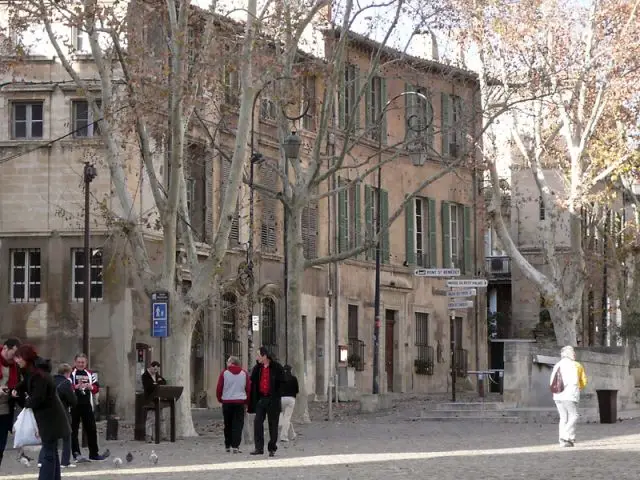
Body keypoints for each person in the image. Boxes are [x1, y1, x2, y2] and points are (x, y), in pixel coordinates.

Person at [11, 345, 70, 480]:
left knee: (49, 453)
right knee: (52, 451)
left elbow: (37, 398)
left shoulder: (39, 375)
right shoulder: (34, 372)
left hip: (50, 418)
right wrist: (16, 389)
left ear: (26, 358)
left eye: (19, 357)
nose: (17, 361)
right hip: (51, 417)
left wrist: (22, 400)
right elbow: (25, 383)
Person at [37, 363, 77, 469]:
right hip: (62, 413)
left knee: (49, 438)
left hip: (48, 413)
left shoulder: (50, 380)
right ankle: (65, 462)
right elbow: (73, 400)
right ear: (67, 373)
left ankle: (41, 460)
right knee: (67, 437)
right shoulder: (66, 383)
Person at [70, 353, 108, 461]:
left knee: (91, 429)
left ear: (86, 363)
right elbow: (67, 385)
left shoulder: (90, 374)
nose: (81, 364)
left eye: (83, 362)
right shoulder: (71, 373)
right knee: (74, 430)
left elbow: (96, 387)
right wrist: (76, 386)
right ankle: (76, 453)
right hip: (74, 405)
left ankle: (94, 453)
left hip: (87, 405)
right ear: (75, 362)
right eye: (79, 362)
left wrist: (90, 386)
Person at [248, 346, 285, 457]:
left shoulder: (277, 367)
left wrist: (277, 394)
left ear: (265, 356)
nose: (257, 357)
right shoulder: (257, 369)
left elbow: (282, 382)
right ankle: (258, 448)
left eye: (259, 355)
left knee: (273, 424)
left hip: (273, 399)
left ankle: (272, 447)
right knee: (257, 422)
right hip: (261, 399)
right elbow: (252, 383)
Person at [550, 345, 587, 447]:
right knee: (574, 415)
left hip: (557, 395)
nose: (574, 354)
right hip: (569, 394)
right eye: (572, 352)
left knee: (563, 418)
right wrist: (576, 391)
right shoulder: (574, 365)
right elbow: (575, 381)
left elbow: (552, 381)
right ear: (568, 354)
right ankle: (565, 435)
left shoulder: (557, 365)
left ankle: (563, 441)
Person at [216, 356, 251, 454]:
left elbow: (219, 387)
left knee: (228, 424)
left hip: (227, 401)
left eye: (228, 361)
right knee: (238, 424)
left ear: (231, 363)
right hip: (240, 402)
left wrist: (220, 399)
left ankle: (227, 445)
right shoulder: (244, 374)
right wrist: (247, 401)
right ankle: (236, 446)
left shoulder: (224, 373)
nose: (227, 363)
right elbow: (248, 388)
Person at [0, 337, 20, 467]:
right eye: (13, 354)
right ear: (5, 348)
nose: (14, 358)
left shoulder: (15, 366)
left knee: (0, 447)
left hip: (5, 411)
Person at [141, 361, 167, 442]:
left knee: (162, 418)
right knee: (150, 418)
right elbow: (149, 386)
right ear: (150, 367)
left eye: (157, 369)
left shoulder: (157, 375)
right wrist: (156, 383)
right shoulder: (145, 375)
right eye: (154, 369)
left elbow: (164, 382)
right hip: (150, 400)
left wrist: (156, 383)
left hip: (158, 399)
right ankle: (148, 436)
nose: (155, 371)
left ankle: (163, 435)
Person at [279, 365, 299, 442]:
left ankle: (292, 434)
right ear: (290, 370)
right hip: (291, 399)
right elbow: (297, 390)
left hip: (281, 399)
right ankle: (283, 436)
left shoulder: (280, 379)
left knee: (285, 417)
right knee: (287, 418)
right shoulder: (294, 378)